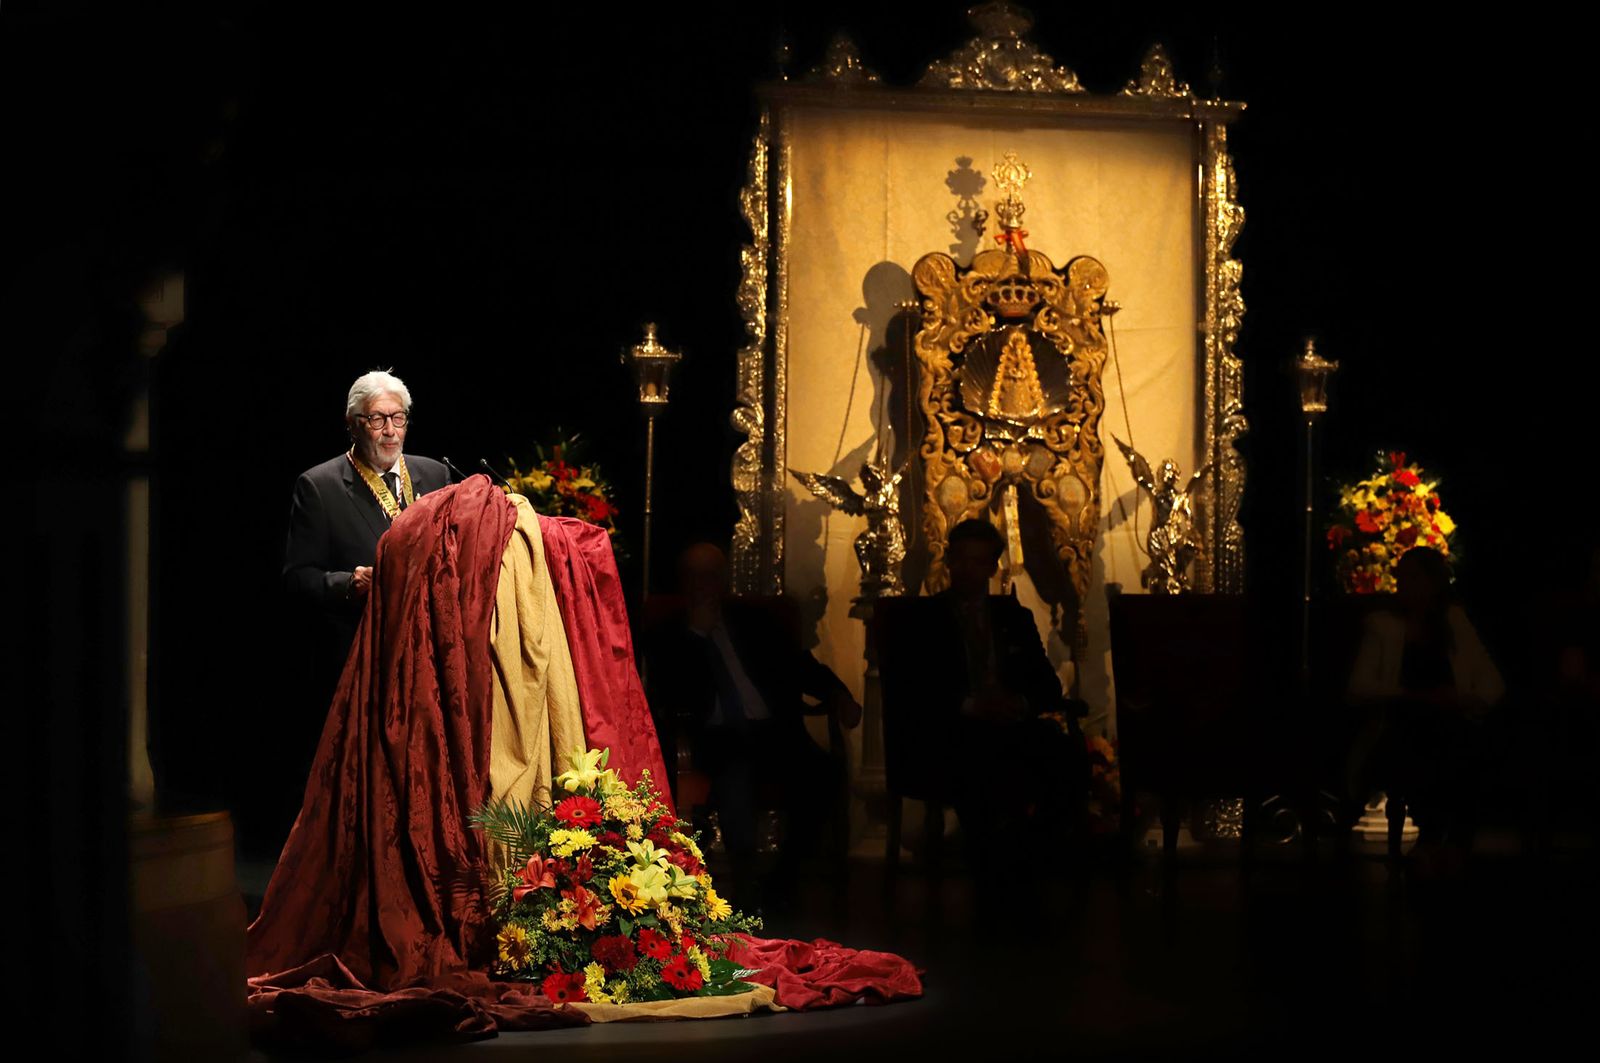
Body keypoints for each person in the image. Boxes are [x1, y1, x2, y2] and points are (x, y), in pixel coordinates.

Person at [645, 543, 862, 902]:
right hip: (713, 739)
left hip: (772, 733)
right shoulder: (668, 633)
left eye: (711, 576)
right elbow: (670, 694)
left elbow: (802, 666)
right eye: (695, 576)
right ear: (683, 582)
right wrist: (697, 636)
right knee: (736, 773)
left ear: (724, 580)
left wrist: (840, 696)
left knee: (824, 772)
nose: (703, 585)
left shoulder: (754, 623)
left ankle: (783, 878)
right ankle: (744, 887)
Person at [1347, 547, 1504, 870]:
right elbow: (1359, 687)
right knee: (1425, 740)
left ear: (1433, 583)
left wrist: (1461, 699)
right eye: (1401, 577)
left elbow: (1492, 683)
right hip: (1399, 723)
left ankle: (1453, 843)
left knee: (1463, 742)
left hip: (1452, 720)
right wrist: (1412, 695)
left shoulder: (1454, 622)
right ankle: (1434, 840)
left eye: (1413, 577)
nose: (1403, 584)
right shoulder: (1383, 626)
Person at [284, 368, 450, 650]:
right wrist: (350, 584)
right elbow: (297, 578)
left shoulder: (436, 474)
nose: (390, 431)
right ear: (352, 424)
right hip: (363, 645)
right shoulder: (318, 486)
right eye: (377, 419)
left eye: (398, 418)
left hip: (428, 643)